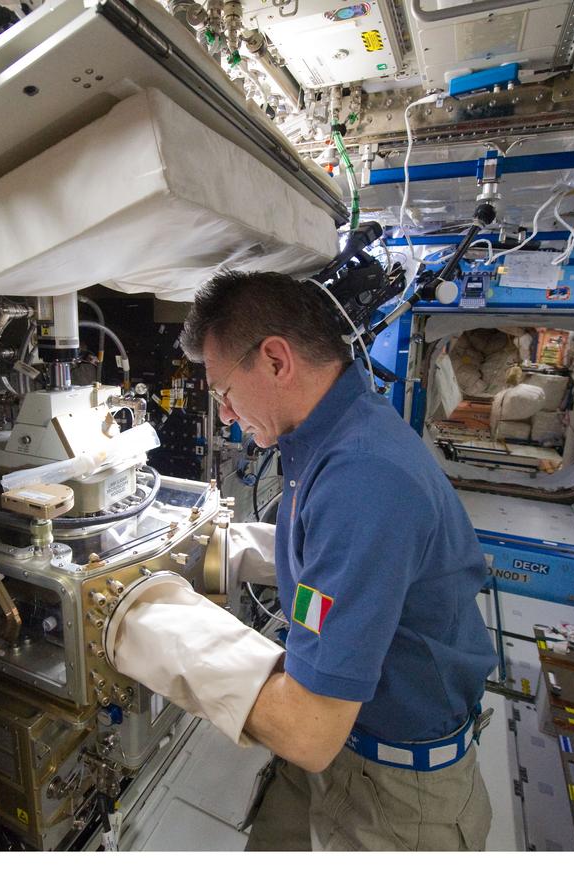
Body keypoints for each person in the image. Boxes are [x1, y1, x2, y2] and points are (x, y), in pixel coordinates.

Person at [178, 270, 498, 851]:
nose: (225, 416)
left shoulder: (362, 474)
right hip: (347, 744)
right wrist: (225, 549)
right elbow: (337, 560)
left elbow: (308, 732)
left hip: (397, 791)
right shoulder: (332, 435)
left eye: (224, 393)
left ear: (276, 360)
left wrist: (166, 639)